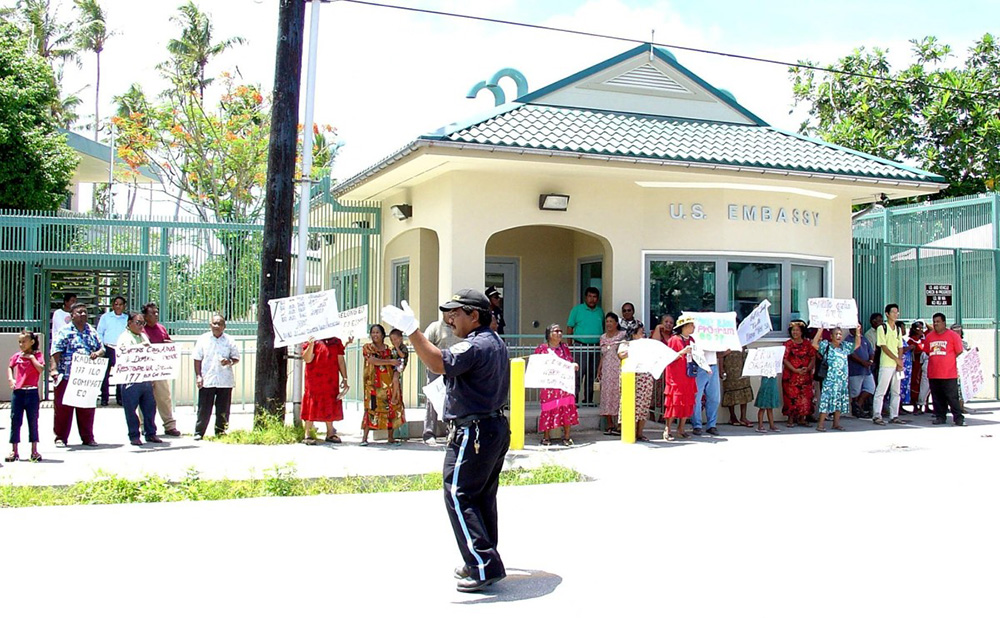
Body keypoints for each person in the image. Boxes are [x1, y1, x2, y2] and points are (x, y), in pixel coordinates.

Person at [381, 289, 510, 593]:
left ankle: (482, 564)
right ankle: (481, 556)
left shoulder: (475, 345)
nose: (450, 320)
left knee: (458, 494)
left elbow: (438, 362)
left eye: (456, 313)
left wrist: (412, 331)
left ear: (473, 315)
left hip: (474, 431)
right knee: (480, 497)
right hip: (491, 428)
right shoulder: (495, 342)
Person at [50, 303, 105, 447]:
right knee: (63, 409)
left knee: (86, 408)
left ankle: (88, 437)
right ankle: (60, 437)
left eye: (85, 312)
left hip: (86, 378)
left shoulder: (91, 331)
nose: (83, 315)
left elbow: (102, 349)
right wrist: (54, 370)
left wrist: (97, 353)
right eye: (79, 312)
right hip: (67, 375)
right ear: (72, 315)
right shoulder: (64, 331)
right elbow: (55, 350)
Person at [116, 312, 163, 445]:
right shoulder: (124, 337)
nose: (141, 326)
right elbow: (123, 354)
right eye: (138, 323)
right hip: (130, 379)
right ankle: (134, 435)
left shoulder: (143, 336)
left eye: (143, 323)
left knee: (150, 407)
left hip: (145, 379)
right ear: (129, 323)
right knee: (131, 409)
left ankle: (150, 433)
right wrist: (139, 348)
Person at [192, 314, 240, 440]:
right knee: (204, 408)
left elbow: (236, 358)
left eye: (220, 324)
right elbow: (197, 359)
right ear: (210, 325)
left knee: (223, 409)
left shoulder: (230, 340)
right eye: (214, 323)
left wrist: (229, 361)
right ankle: (199, 432)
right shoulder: (203, 339)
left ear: (224, 326)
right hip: (208, 379)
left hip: (225, 380)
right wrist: (198, 376)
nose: (217, 326)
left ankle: (220, 431)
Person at [534, 323, 579, 446]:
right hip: (549, 384)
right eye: (555, 331)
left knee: (566, 407)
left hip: (563, 383)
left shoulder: (564, 347)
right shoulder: (542, 349)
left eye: (560, 331)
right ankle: (546, 437)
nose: (559, 333)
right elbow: (537, 365)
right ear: (549, 334)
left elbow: (569, 360)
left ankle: (567, 436)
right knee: (548, 408)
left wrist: (573, 365)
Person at [142, 302, 181, 436]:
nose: (156, 315)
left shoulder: (162, 328)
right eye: (152, 313)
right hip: (145, 371)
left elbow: (168, 342)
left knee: (164, 397)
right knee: (145, 399)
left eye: (157, 312)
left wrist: (168, 344)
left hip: (160, 370)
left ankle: (169, 425)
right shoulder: (140, 330)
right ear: (145, 316)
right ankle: (144, 426)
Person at [423, 314, 463, 445]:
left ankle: (451, 432)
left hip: (454, 368)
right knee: (432, 400)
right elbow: (425, 346)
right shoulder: (435, 327)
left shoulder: (458, 328)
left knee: (453, 399)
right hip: (436, 368)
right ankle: (429, 433)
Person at [301, 335, 348, 445]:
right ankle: (307, 433)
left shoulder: (336, 342)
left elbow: (340, 361)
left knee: (330, 401)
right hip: (314, 379)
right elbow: (307, 359)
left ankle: (330, 432)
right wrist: (311, 344)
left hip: (331, 379)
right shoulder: (312, 340)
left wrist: (345, 378)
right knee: (312, 402)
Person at [361, 324, 403, 446]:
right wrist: (390, 361)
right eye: (373, 333)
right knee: (371, 409)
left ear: (383, 335)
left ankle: (390, 437)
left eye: (377, 332)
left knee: (391, 409)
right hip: (372, 385)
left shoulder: (390, 349)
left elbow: (399, 362)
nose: (375, 335)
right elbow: (372, 360)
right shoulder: (367, 348)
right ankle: (364, 438)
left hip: (389, 384)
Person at [811, 326, 859, 431]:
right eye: (836, 334)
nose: (838, 336)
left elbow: (857, 345)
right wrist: (820, 330)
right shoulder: (826, 346)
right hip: (830, 380)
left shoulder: (844, 347)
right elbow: (814, 344)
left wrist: (858, 332)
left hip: (842, 380)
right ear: (831, 336)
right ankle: (821, 424)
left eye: (840, 334)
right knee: (826, 401)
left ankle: (836, 423)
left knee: (839, 402)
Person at [921, 313, 965, 426]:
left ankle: (958, 418)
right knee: (937, 397)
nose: (936, 324)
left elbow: (959, 351)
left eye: (938, 321)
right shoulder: (930, 337)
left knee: (952, 397)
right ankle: (940, 417)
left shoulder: (953, 336)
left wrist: (948, 359)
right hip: (934, 373)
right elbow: (927, 351)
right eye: (934, 321)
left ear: (944, 323)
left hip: (949, 374)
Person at [7, 331, 44, 462]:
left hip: (32, 392)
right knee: (15, 421)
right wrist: (11, 379)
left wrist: (31, 358)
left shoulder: (38, 355)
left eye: (24, 341)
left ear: (32, 342)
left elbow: (40, 369)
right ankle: (14, 450)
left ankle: (34, 450)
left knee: (33, 420)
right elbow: (10, 366)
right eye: (20, 342)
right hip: (19, 392)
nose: (21, 344)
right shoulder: (17, 356)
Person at [566, 287, 603, 405]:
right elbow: (570, 328)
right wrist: (570, 346)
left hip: (596, 347)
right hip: (580, 346)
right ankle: (574, 401)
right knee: (577, 374)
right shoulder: (577, 310)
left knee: (592, 375)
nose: (592, 299)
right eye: (590, 296)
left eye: (595, 297)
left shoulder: (600, 311)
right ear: (585, 297)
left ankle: (588, 400)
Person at [662, 314, 696, 441]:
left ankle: (681, 428)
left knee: (687, 402)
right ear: (684, 326)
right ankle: (668, 429)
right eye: (691, 325)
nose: (693, 327)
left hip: (688, 375)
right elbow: (669, 357)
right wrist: (682, 352)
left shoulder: (692, 340)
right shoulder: (674, 340)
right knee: (673, 403)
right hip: (675, 376)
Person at [617, 322, 653, 442]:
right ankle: (629, 432)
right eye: (640, 332)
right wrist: (634, 349)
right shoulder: (625, 343)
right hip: (632, 378)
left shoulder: (646, 344)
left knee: (643, 405)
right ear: (633, 333)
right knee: (631, 405)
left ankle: (640, 432)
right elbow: (621, 355)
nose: (643, 334)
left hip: (645, 377)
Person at [872, 303, 906, 426]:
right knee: (881, 390)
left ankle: (894, 415)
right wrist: (896, 359)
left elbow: (900, 346)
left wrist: (899, 360)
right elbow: (883, 346)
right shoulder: (882, 328)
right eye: (893, 312)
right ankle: (877, 415)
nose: (895, 314)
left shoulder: (897, 328)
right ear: (887, 314)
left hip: (896, 364)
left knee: (896, 391)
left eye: (897, 312)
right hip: (886, 363)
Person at [782, 319, 815, 427]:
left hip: (805, 376)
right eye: (793, 330)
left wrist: (809, 368)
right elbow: (785, 359)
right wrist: (795, 370)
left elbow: (812, 356)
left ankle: (802, 418)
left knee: (805, 397)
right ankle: (791, 419)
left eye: (797, 330)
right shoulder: (788, 344)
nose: (794, 332)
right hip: (791, 376)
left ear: (802, 332)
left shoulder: (807, 344)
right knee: (791, 397)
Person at [598, 311, 626, 434]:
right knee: (607, 395)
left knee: (619, 394)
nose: (609, 324)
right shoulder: (603, 337)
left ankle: (620, 424)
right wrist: (599, 368)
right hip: (607, 369)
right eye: (607, 322)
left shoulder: (622, 335)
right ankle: (609, 424)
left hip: (618, 368)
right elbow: (603, 355)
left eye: (611, 321)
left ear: (616, 323)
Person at [96, 295, 128, 406]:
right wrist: (102, 347)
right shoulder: (106, 317)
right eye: (116, 304)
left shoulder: (127, 319)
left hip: (121, 349)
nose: (118, 306)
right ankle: (104, 397)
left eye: (121, 304)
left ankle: (120, 398)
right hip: (108, 347)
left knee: (121, 373)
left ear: (124, 306)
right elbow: (100, 332)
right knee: (104, 375)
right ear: (113, 306)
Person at [691, 338, 722, 437]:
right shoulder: (696, 333)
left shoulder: (714, 333)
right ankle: (697, 425)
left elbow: (720, 351)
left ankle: (711, 425)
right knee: (696, 398)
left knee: (714, 398)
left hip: (713, 365)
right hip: (699, 366)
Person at [847, 329, 876, 417]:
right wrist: (862, 362)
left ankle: (858, 405)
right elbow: (851, 353)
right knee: (855, 391)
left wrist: (870, 360)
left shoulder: (864, 339)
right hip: (855, 370)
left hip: (867, 370)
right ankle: (855, 409)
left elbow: (871, 351)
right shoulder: (848, 339)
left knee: (870, 388)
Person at [720, 349, 754, 427]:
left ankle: (743, 417)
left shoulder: (743, 339)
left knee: (744, 387)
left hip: (742, 364)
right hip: (730, 366)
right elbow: (720, 354)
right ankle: (732, 416)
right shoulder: (725, 338)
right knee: (731, 389)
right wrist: (721, 368)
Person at [903, 321, 926, 414]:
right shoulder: (911, 341)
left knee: (923, 385)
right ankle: (915, 406)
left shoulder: (923, 340)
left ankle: (924, 405)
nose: (921, 330)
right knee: (915, 384)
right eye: (918, 328)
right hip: (915, 365)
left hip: (923, 365)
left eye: (922, 328)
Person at [389, 328, 409, 419]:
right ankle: (396, 395)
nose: (394, 342)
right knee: (393, 382)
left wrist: (397, 347)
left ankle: (394, 397)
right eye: (392, 340)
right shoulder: (392, 348)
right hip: (394, 366)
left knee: (395, 379)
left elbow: (402, 355)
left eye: (396, 339)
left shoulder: (403, 347)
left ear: (401, 339)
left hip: (400, 366)